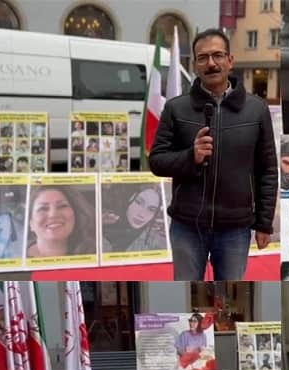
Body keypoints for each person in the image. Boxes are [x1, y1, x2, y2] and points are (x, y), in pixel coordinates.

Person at [149, 29, 278, 280]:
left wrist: (264, 222)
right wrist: (191, 157)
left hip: (235, 228)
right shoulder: (176, 108)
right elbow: (156, 161)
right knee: (187, 294)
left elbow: (267, 170)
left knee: (228, 295)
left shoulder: (256, 109)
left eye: (218, 55)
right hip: (187, 226)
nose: (211, 63)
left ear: (230, 61)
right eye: (203, 57)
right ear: (195, 65)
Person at [26, 186, 95, 258]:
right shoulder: (16, 254)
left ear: (76, 214)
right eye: (43, 208)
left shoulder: (100, 250)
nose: (53, 214)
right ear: (31, 223)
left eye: (62, 206)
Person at [101, 184, 166, 252]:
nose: (141, 214)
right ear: (131, 198)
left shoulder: (156, 242)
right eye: (139, 202)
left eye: (151, 210)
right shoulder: (104, 223)